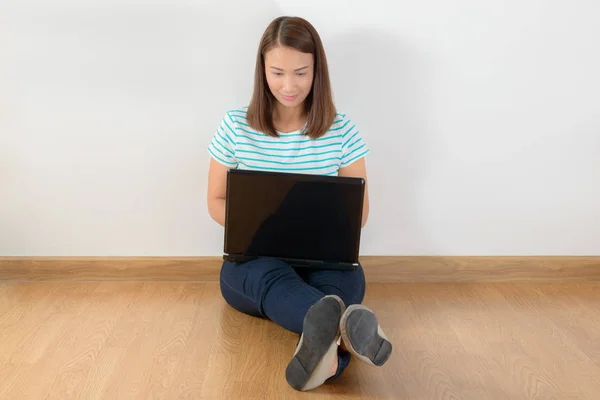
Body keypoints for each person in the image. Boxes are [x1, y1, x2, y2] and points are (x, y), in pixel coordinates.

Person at [206, 16, 392, 391]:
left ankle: (326, 351)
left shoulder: (341, 129)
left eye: (300, 73)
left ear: (316, 72)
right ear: (262, 71)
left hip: (326, 262)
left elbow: (361, 212)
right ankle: (346, 332)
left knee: (342, 282)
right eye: (277, 73)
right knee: (267, 277)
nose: (288, 86)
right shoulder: (234, 125)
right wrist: (259, 228)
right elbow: (215, 200)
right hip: (256, 262)